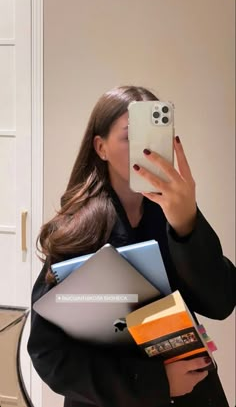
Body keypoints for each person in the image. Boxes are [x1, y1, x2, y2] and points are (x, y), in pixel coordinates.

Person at [27, 85, 236, 407]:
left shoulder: (177, 218)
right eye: (130, 137)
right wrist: (154, 382)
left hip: (197, 396)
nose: (147, 151)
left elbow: (221, 303)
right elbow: (49, 354)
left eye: (155, 138)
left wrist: (187, 226)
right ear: (101, 147)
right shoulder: (75, 232)